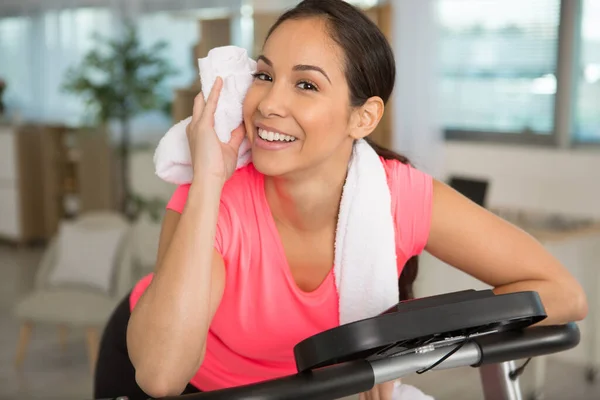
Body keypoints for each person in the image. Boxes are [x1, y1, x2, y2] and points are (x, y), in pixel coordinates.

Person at [93, 1, 588, 399]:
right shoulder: (214, 199)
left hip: (310, 388)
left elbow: (565, 294)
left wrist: (391, 346)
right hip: (187, 379)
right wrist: (207, 180)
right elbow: (161, 376)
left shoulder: (399, 197)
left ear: (363, 118)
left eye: (305, 84)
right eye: (264, 75)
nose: (268, 103)